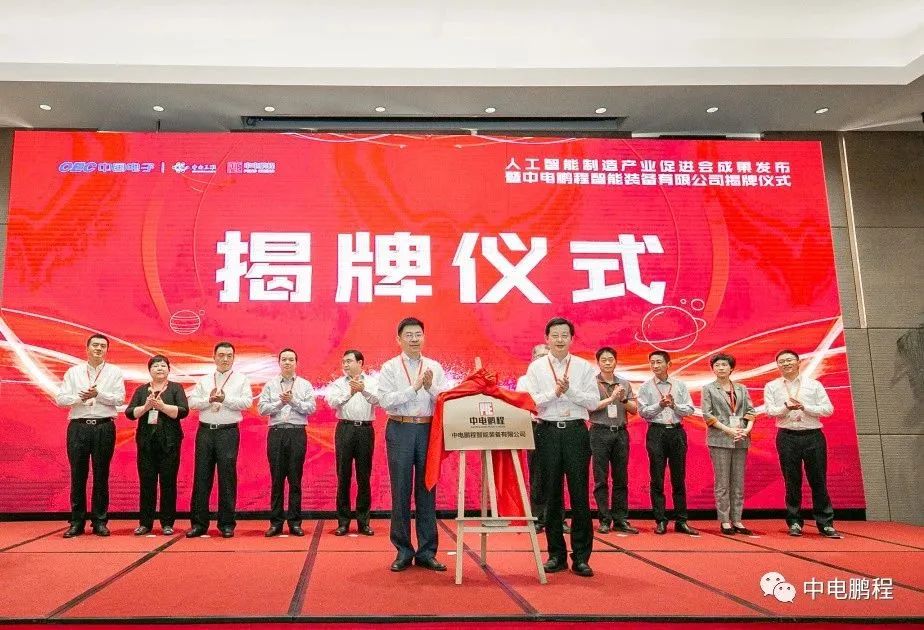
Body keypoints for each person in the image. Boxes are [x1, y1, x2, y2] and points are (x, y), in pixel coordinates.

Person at [525, 317, 599, 578]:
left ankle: (581, 557)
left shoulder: (583, 367)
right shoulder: (536, 368)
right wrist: (554, 393)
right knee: (551, 496)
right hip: (546, 431)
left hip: (576, 432)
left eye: (564, 335)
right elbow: (531, 401)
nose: (559, 340)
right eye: (555, 335)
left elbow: (593, 402)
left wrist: (570, 392)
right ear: (547, 339)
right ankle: (556, 555)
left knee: (580, 495)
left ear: (571, 338)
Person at [378, 317, 448, 572]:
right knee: (401, 489)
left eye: (418, 334)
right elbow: (385, 401)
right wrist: (414, 388)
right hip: (400, 428)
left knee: (427, 488)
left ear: (424, 337)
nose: (414, 339)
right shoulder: (389, 368)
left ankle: (427, 552)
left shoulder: (434, 366)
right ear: (399, 339)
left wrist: (429, 388)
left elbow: (444, 398)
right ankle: (403, 551)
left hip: (428, 429)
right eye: (409, 335)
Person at [763, 349, 839, 538]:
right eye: (782, 361)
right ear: (777, 365)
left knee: (818, 480)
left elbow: (828, 409)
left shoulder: (814, 385)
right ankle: (794, 521)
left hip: (813, 436)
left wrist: (805, 407)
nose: (786, 363)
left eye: (789, 360)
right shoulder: (772, 386)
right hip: (787, 436)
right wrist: (786, 408)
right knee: (791, 480)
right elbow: (770, 411)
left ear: (798, 362)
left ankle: (825, 523)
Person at [55, 334, 125, 538]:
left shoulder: (114, 372)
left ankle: (100, 521)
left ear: (107, 350)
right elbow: (60, 399)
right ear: (87, 348)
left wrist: (98, 395)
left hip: (104, 427)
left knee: (101, 475)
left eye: (103, 346)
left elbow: (120, 399)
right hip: (79, 427)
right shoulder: (74, 372)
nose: (99, 349)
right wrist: (80, 397)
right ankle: (76, 522)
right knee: (78, 475)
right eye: (95, 345)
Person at [186, 342, 253, 538]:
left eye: (229, 356)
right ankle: (199, 524)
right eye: (221, 355)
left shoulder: (241, 379)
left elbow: (247, 402)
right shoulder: (205, 380)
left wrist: (225, 399)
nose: (225, 359)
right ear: (214, 357)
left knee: (227, 478)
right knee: (201, 477)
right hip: (205, 432)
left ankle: (226, 524)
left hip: (228, 432)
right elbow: (192, 402)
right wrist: (209, 400)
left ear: (234, 358)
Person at [125, 354, 189, 536]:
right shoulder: (142, 390)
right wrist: (146, 407)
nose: (160, 369)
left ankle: (167, 523)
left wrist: (162, 407)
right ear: (149, 370)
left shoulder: (176, 388)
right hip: (146, 444)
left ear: (168, 369)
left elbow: (183, 411)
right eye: (155, 366)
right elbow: (130, 413)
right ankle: (145, 523)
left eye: (163, 366)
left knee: (168, 483)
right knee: (147, 483)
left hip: (170, 443)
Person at [637, 350, 698, 536]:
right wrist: (660, 405)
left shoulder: (679, 385)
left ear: (668, 364)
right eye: (652, 362)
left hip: (677, 432)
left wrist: (674, 406)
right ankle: (661, 520)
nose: (655, 366)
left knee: (679, 477)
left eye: (659, 362)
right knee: (657, 478)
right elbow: (643, 412)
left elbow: (690, 409)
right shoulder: (646, 387)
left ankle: (681, 520)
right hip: (656, 432)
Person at [257, 348, 316, 537]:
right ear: (279, 363)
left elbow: (311, 408)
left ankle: (295, 522)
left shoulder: (304, 385)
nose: (287, 362)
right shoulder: (270, 385)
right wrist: (280, 403)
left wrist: (293, 401)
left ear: (296, 363)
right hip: (276, 433)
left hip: (297, 433)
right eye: (284, 359)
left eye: (291, 359)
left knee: (295, 479)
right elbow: (262, 409)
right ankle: (276, 523)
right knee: (277, 479)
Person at [701, 353, 756, 536]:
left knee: (738, 482)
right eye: (717, 365)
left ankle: (737, 520)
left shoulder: (741, 388)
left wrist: (747, 430)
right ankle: (725, 521)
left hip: (741, 438)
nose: (721, 368)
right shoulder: (708, 389)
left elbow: (750, 411)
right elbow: (707, 415)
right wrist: (728, 429)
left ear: (731, 368)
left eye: (724, 365)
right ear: (713, 369)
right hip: (720, 439)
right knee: (723, 483)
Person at [327, 349, 380, 537]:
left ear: (360, 363)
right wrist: (349, 392)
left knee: (364, 476)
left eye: (349, 361)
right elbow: (332, 402)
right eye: (344, 362)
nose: (345, 364)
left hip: (365, 430)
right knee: (343, 475)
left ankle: (363, 522)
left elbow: (379, 401)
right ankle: (343, 522)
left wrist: (362, 390)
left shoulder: (373, 382)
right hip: (345, 429)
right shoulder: (338, 384)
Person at [589, 347, 639, 535]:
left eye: (611, 359)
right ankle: (604, 519)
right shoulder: (592, 383)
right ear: (598, 363)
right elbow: (590, 407)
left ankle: (620, 519)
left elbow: (634, 409)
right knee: (600, 478)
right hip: (599, 432)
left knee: (621, 478)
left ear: (616, 361)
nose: (608, 362)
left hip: (620, 433)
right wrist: (611, 398)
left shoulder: (624, 383)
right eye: (604, 360)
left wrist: (623, 399)